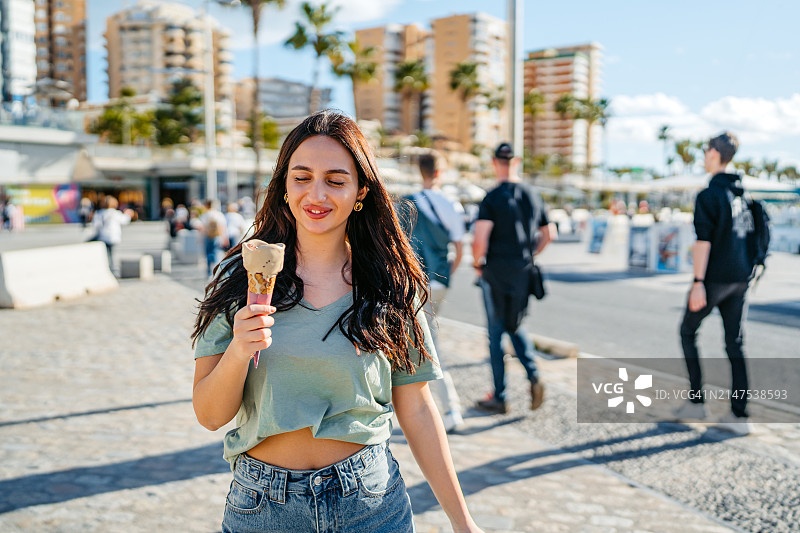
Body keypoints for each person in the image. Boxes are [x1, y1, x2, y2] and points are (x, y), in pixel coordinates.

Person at [191, 111, 483, 533]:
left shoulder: (391, 284)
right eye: (302, 177)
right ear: (285, 187)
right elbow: (210, 414)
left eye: (335, 179)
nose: (316, 194)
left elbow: (417, 407)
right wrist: (239, 349)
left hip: (370, 503)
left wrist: (463, 522)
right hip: (264, 508)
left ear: (360, 191)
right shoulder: (242, 279)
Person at [674, 132, 756, 436]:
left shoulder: (709, 194)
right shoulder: (742, 195)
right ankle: (739, 415)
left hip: (715, 280)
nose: (705, 154)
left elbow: (703, 241)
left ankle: (696, 402)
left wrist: (698, 282)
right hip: (740, 279)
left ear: (714, 154)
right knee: (734, 343)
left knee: (687, 331)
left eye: (706, 149)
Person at [471, 142, 556, 414]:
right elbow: (549, 234)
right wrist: (530, 255)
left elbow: (480, 239)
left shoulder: (492, 197)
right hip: (522, 272)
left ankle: (500, 396)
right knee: (516, 324)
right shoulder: (533, 195)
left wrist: (477, 265)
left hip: (495, 273)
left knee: (496, 334)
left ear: (495, 163)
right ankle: (533, 375)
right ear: (516, 162)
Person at [399, 151, 466, 433]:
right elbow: (459, 247)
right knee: (427, 343)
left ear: (420, 171)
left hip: (415, 283)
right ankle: (440, 409)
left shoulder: (406, 204)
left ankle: (449, 410)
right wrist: (448, 274)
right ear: (439, 173)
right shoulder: (451, 204)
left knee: (427, 346)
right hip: (440, 282)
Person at [90, 195, 133, 272]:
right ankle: (114, 270)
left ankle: (107, 269)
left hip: (102, 236)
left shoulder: (99, 213)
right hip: (113, 237)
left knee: (105, 254)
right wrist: (128, 214)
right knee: (113, 254)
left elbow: (95, 225)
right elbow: (124, 220)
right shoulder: (115, 213)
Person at [200, 199, 229, 277]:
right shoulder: (218, 214)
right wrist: (224, 237)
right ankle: (216, 272)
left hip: (207, 236)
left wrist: (201, 238)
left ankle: (209, 272)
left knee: (208, 253)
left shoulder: (205, 214)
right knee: (216, 252)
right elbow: (223, 227)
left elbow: (202, 227)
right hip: (217, 236)